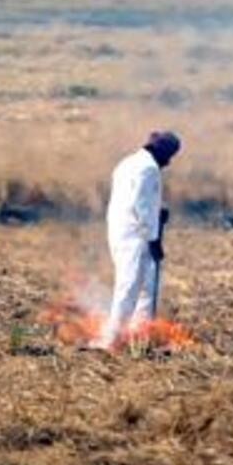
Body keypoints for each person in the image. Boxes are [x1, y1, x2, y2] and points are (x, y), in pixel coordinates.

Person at [92, 131, 180, 350]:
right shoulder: (148, 168)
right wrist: (154, 239)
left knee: (144, 285)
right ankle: (111, 340)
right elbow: (140, 206)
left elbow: (141, 203)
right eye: (168, 156)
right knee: (130, 286)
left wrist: (158, 214)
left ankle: (139, 337)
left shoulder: (127, 163)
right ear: (159, 150)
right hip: (136, 235)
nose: (168, 162)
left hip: (124, 230)